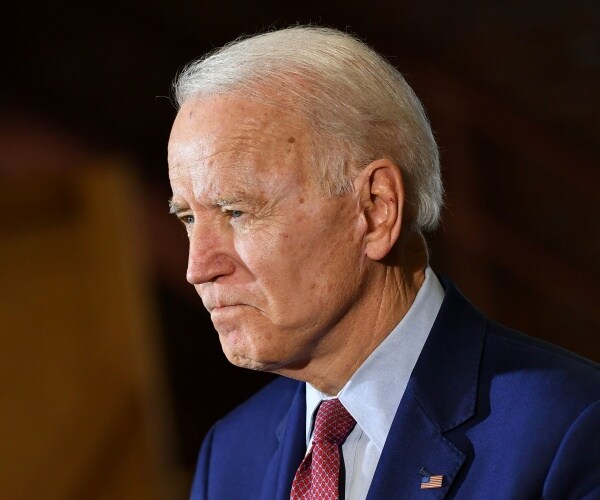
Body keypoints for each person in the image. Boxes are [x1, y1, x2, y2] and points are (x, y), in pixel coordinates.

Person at [167, 26, 600, 500]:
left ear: (375, 209)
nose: (198, 267)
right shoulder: (231, 454)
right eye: (188, 217)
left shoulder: (570, 430)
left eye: (236, 212)